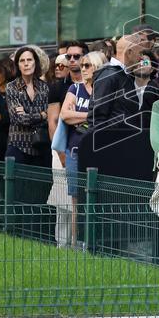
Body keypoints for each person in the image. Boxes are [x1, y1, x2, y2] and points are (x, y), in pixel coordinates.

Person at [59, 51, 105, 248]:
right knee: (76, 199)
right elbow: (65, 115)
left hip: (100, 150)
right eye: (82, 65)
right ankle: (77, 243)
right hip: (75, 150)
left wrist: (78, 115)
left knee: (98, 197)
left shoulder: (104, 90)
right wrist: (91, 115)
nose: (82, 69)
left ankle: (96, 242)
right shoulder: (75, 88)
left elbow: (106, 118)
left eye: (87, 65)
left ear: (98, 67)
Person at [6, 46, 51, 171]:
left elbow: (50, 116)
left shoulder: (45, 87)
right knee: (15, 183)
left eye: (29, 60)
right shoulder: (11, 87)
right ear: (17, 65)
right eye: (22, 60)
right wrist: (41, 114)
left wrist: (28, 113)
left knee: (43, 183)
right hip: (18, 146)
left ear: (35, 63)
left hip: (41, 146)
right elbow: (20, 119)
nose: (26, 64)